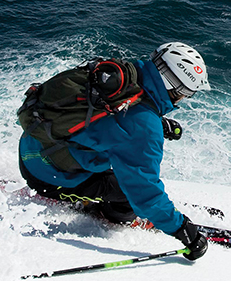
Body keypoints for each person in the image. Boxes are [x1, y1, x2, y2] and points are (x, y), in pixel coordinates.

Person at [17, 42, 211, 261]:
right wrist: (184, 231)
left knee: (120, 170)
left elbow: (108, 120)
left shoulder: (121, 77)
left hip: (33, 146)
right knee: (127, 196)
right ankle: (109, 214)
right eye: (186, 93)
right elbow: (145, 194)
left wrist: (157, 122)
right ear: (174, 88)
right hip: (49, 177)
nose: (184, 99)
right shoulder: (143, 128)